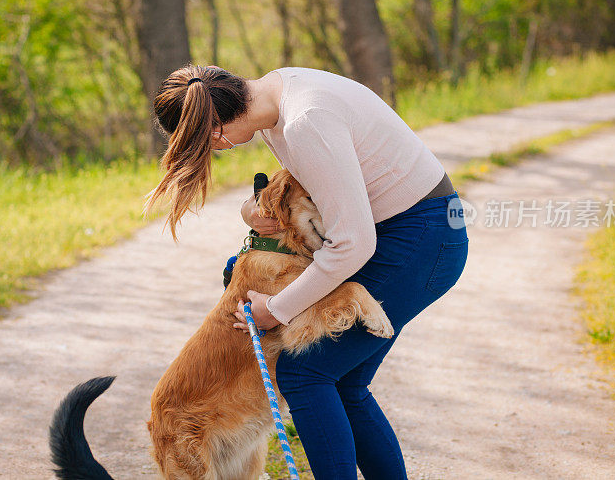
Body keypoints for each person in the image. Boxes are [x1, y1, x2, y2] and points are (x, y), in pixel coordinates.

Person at [146, 64, 468, 479]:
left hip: (420, 235)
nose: (219, 151)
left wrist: (275, 310)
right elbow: (316, 188)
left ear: (213, 130)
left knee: (305, 374)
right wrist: (253, 211)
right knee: (345, 384)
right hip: (406, 227)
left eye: (206, 145)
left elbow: (352, 243)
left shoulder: (304, 122)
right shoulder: (276, 97)